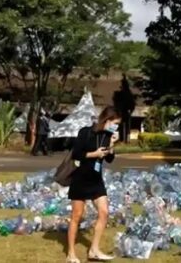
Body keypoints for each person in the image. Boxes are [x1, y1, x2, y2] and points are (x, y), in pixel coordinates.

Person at [66, 106, 120, 263]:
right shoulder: (86, 132)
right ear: (107, 120)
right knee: (77, 216)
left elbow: (109, 159)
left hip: (96, 180)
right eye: (115, 123)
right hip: (81, 178)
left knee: (104, 212)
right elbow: (76, 154)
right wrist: (94, 154)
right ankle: (71, 254)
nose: (116, 127)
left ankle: (94, 250)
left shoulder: (107, 136)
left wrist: (112, 144)